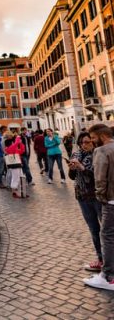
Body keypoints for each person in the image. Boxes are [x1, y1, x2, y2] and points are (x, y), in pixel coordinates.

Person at [84, 124, 114, 291]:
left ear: (102, 136)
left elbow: (100, 179)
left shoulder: (101, 151)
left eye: (94, 138)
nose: (92, 142)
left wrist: (101, 197)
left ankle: (109, 277)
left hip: (110, 201)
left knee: (108, 237)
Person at [69, 132, 103, 273]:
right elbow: (73, 177)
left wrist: (83, 167)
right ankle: (101, 258)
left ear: (93, 142)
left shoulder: (98, 155)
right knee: (94, 229)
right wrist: (72, 168)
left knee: (107, 230)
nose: (84, 145)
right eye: (82, 142)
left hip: (97, 196)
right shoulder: (77, 155)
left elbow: (98, 176)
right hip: (82, 197)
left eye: (87, 142)